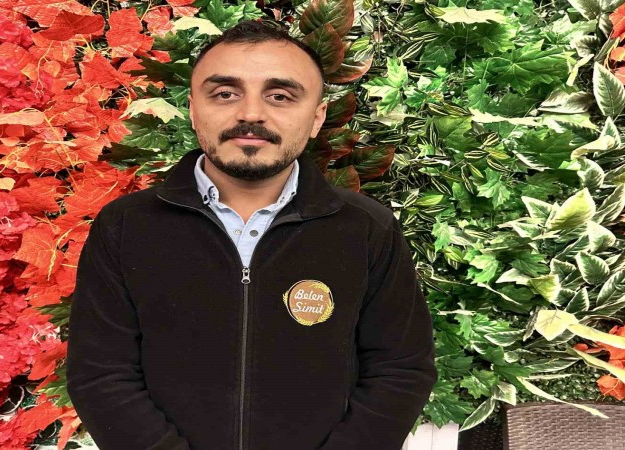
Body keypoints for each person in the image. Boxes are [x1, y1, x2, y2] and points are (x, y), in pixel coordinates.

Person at [66, 19, 437, 450]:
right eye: (225, 93)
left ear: (317, 118)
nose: (250, 114)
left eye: (280, 96)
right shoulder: (126, 225)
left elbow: (401, 369)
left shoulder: (367, 228)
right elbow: (100, 373)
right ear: (193, 109)